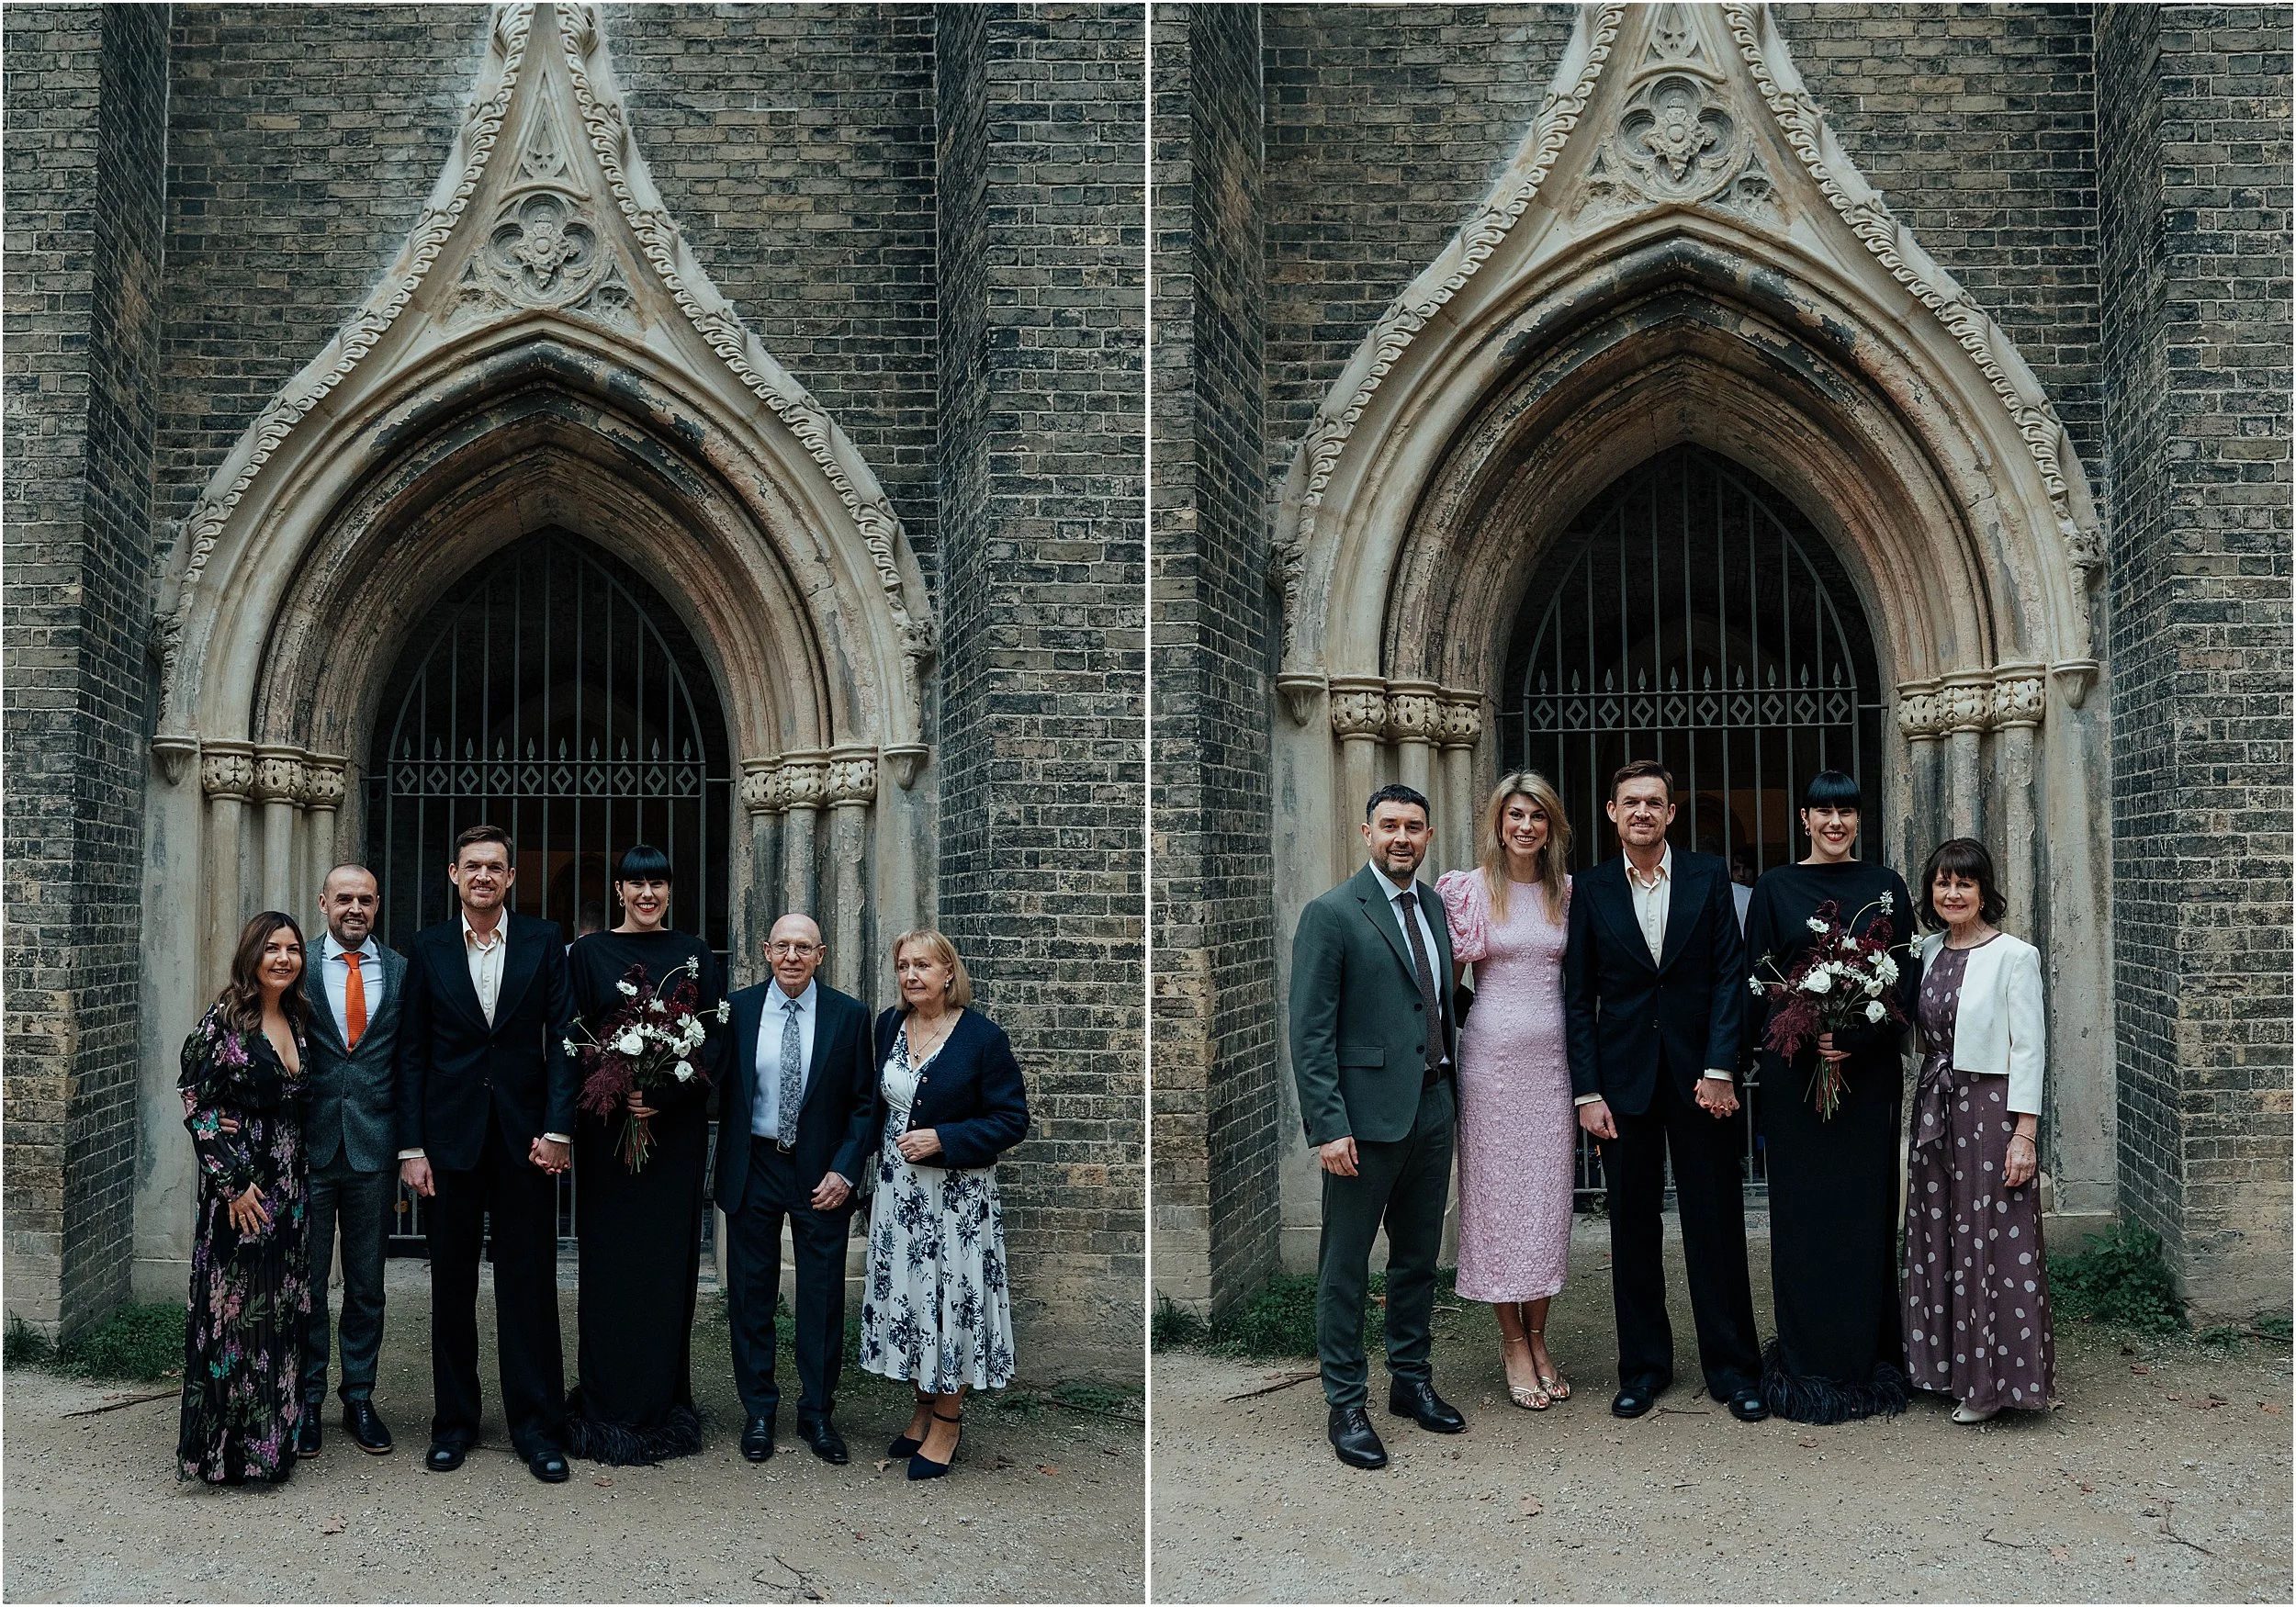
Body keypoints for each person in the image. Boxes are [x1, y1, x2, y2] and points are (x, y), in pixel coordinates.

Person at [1562, 759, 1765, 1423]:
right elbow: (1578, 998)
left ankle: (1733, 1370)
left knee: (1716, 1223)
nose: (1643, 812)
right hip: (1623, 1085)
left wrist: (1721, 1066)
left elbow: (1730, 976)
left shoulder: (1708, 876)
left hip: (1702, 1080)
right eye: (1631, 803)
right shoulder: (1590, 889)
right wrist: (1587, 1093)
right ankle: (1643, 1369)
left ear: (1671, 813)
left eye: (1654, 802)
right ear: (1612, 813)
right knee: (1632, 1227)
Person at [396, 823, 579, 1483]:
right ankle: (454, 1424)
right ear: (454, 875)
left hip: (525, 1141)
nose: (483, 876)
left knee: (528, 1284)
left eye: (494, 867)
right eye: (472, 866)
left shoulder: (543, 941)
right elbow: (412, 1052)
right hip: (448, 1142)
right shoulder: (429, 947)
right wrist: (411, 1147)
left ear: (510, 878)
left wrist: (558, 1130)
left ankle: (537, 1427)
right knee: (451, 1285)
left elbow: (565, 1040)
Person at [1290, 782, 1465, 1470]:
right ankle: (1346, 1403)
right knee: (1345, 1267)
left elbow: (1434, 1000)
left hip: (1433, 1106)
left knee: (1418, 1260)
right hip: (1361, 1125)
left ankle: (1410, 1381)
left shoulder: (1434, 906)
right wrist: (1328, 1127)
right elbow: (1310, 1033)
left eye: (1414, 827)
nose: (1402, 838)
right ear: (1367, 833)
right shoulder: (1332, 913)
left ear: (1427, 837)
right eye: (1389, 825)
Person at [1741, 770, 1918, 1423]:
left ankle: (1866, 1357)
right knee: (1802, 1218)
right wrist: (1798, 1032)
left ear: (1857, 820)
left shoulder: (1885, 886)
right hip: (1797, 1080)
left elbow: (1905, 980)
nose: (1835, 822)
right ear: (1804, 820)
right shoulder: (1775, 887)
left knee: (1864, 1213)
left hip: (1864, 1081)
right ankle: (1806, 1359)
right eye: (1823, 811)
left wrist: (1857, 1036)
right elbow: (1758, 976)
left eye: (1846, 811)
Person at [562, 845, 726, 1465]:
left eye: (658, 883)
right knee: (609, 1268)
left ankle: (661, 1403)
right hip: (609, 1137)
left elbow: (713, 1044)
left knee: (664, 1269)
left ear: (670, 890)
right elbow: (575, 1037)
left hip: (673, 1139)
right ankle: (605, 1403)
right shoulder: (589, 955)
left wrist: (663, 1094)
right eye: (636, 884)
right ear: (619, 891)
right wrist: (615, 1088)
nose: (648, 894)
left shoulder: (694, 954)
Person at [859, 929, 1028, 1480]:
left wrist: (943, 1139)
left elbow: (1012, 1120)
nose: (911, 975)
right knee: (912, 1301)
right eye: (903, 965)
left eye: (923, 965)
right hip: (899, 1194)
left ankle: (948, 1422)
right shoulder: (890, 1024)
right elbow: (879, 1105)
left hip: (956, 1201)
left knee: (949, 1302)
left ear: (949, 972)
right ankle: (923, 1407)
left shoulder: (982, 1038)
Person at [1436, 770, 1577, 1412]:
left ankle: (1540, 1335)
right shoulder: (1468, 890)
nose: (1525, 826)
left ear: (1552, 827)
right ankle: (1512, 1341)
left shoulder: (1566, 892)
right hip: (1491, 1065)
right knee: (1496, 1202)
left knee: (1545, 1201)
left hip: (1552, 1067)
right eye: (1515, 815)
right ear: (1498, 822)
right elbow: (1444, 985)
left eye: (1537, 816)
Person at [1901, 837, 2055, 1422]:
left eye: (1964, 883)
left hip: (1990, 1111)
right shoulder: (1926, 951)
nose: (1952, 893)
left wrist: (2025, 1134)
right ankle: (1942, 1369)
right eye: (1942, 883)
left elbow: (2030, 1049)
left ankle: (1990, 1385)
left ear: (1984, 891)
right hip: (1936, 1107)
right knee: (1937, 1234)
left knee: (1988, 1239)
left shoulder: (2015, 955)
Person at [716, 912, 877, 1466]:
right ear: (766, 951)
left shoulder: (849, 1016)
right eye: (782, 946)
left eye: (803, 948)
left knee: (822, 1297)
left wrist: (846, 1170)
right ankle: (759, 1412)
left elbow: (865, 1103)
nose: (792, 957)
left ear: (821, 955)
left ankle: (817, 1414)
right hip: (754, 1165)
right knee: (750, 1295)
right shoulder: (736, 1010)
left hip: (821, 1174)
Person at [176, 911, 313, 1484]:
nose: (283, 959)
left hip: (289, 1187)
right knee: (237, 1314)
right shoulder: (227, 1018)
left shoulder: (299, 1017)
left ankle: (272, 1444)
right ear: (252, 955)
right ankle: (227, 1453)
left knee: (279, 1311)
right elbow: (194, 1097)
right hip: (243, 1188)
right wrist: (232, 1183)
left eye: (293, 949)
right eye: (272, 948)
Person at [294, 864, 404, 1457]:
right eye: (344, 899)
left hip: (373, 1148)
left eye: (365, 898)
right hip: (307, 1149)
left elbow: (409, 1059)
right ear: (324, 903)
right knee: (308, 1284)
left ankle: (359, 1395)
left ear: (377, 904)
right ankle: (307, 1400)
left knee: (367, 1285)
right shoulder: (296, 965)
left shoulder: (402, 971)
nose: (354, 908)